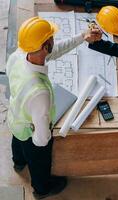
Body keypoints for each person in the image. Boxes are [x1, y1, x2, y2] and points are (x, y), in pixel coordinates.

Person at [6, 16, 102, 199]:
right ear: (44, 46)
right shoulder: (39, 93)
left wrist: (83, 36)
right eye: (51, 37)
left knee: (18, 143)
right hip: (31, 130)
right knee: (39, 160)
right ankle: (42, 189)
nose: (54, 40)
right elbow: (41, 139)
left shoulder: (19, 54)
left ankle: (18, 163)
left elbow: (54, 51)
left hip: (15, 117)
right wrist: (46, 140)